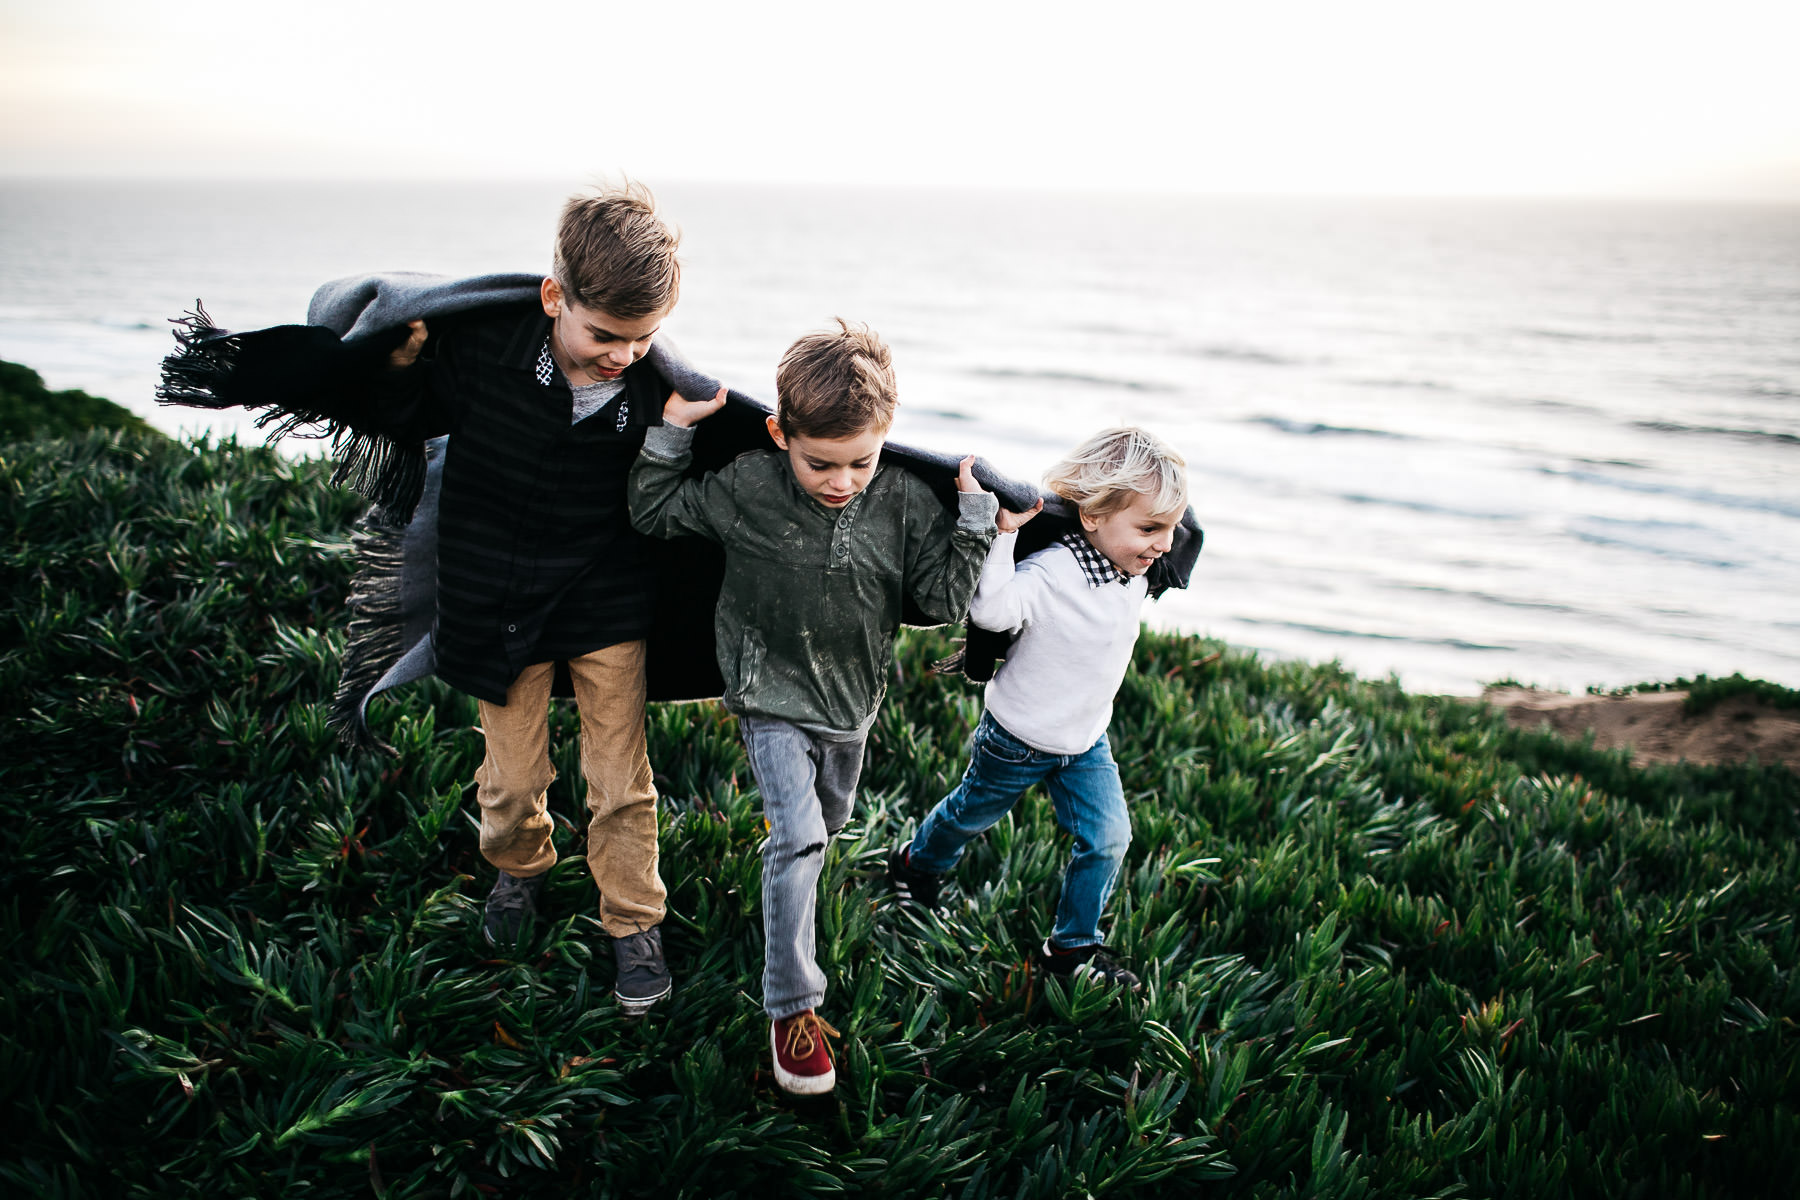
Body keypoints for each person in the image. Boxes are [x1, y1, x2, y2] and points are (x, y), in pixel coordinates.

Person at [163, 182, 686, 1015]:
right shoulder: (483, 352)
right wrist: (399, 368)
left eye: (643, 338)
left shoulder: (656, 390)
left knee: (620, 783)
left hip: (604, 602)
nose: (623, 354)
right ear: (555, 298)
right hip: (497, 599)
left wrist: (686, 429)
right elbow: (406, 420)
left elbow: (706, 475)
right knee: (513, 783)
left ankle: (633, 922)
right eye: (605, 335)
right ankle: (520, 870)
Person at [628, 320, 1001, 1095]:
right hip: (767, 696)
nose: (840, 479)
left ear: (886, 440)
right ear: (779, 433)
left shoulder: (899, 500)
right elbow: (655, 513)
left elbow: (936, 600)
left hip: (850, 705)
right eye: (819, 461)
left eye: (860, 460)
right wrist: (670, 431)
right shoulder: (749, 488)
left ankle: (784, 882)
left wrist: (972, 524)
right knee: (797, 838)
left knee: (822, 833)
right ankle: (791, 1007)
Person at [886, 427, 1190, 994]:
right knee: (970, 815)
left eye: (1173, 527)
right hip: (1018, 737)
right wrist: (1003, 539)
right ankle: (915, 864)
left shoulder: (1134, 570)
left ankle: (1071, 947)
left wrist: (1153, 539)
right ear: (1093, 517)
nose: (1166, 544)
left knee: (1108, 839)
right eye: (1151, 528)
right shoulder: (1052, 573)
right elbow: (994, 614)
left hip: (1084, 742)